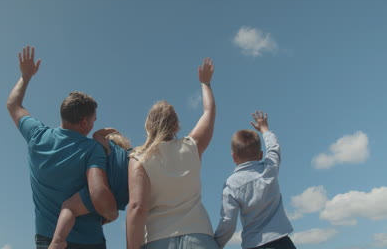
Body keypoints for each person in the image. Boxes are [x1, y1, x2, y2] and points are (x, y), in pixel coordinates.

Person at [6, 46, 117, 249]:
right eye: (93, 120)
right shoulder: (92, 149)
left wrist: (26, 76)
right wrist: (111, 212)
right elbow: (99, 192)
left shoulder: (37, 135)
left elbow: (13, 105)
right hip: (88, 242)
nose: (94, 124)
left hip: (47, 241)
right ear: (84, 121)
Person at [126, 58, 218, 249]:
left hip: (157, 239)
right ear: (176, 125)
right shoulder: (192, 146)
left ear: (148, 126)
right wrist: (205, 83)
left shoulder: (139, 159)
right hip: (199, 236)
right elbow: (209, 112)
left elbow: (137, 207)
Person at [214, 111, 296, 249]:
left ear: (233, 157)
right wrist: (265, 129)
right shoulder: (270, 169)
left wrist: (216, 244)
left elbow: (228, 223)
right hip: (282, 242)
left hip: (255, 244)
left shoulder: (231, 185)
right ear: (261, 155)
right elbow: (274, 148)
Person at [49, 130, 132, 249]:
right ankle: (101, 219)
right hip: (119, 199)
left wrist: (110, 130)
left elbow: (96, 135)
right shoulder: (130, 157)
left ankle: (58, 241)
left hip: (103, 190)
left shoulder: (110, 147)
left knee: (69, 207)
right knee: (111, 215)